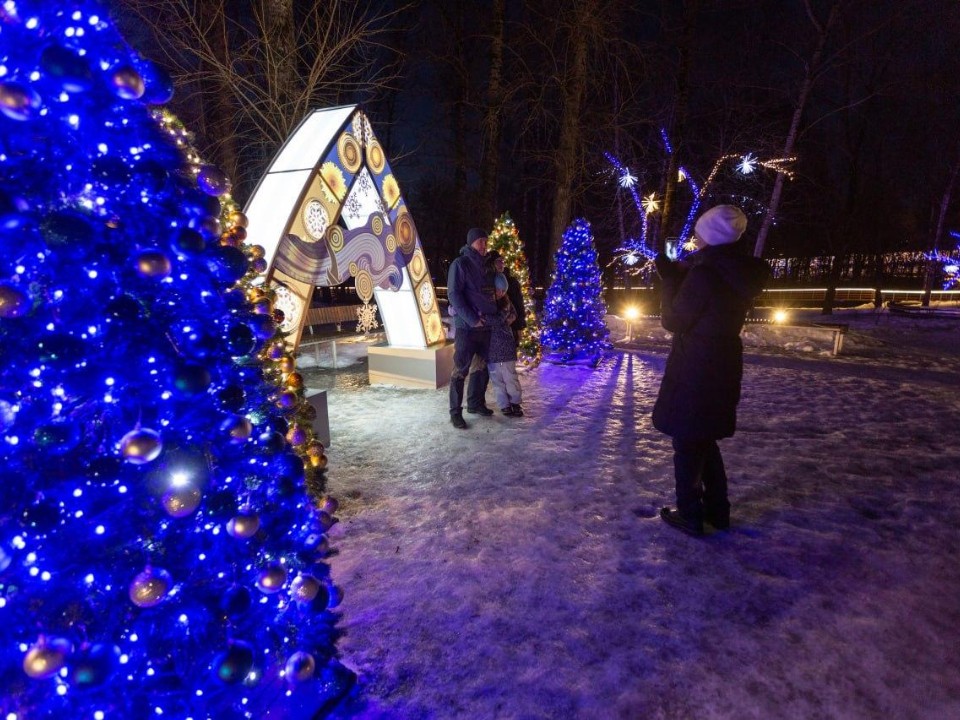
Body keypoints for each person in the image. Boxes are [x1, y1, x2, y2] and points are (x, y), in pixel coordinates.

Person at [652, 205, 770, 536]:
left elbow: (674, 320)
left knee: (688, 442)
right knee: (705, 439)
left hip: (696, 365)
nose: (695, 240)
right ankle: (718, 511)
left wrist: (669, 281)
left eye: (700, 235)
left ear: (711, 236)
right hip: (722, 361)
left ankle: (690, 514)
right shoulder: (735, 271)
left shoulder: (706, 273)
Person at [447, 227, 498, 429]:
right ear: (471, 243)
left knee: (481, 367)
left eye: (486, 241)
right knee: (461, 369)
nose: (484, 245)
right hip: (467, 328)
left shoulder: (487, 267)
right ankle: (455, 412)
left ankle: (476, 404)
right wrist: (471, 319)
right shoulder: (460, 264)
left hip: (485, 327)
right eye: (480, 242)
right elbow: (454, 295)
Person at [488, 273, 524, 416]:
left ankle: (515, 402)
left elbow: (505, 317)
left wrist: (495, 321)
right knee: (497, 379)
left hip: (506, 346)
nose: (501, 293)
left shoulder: (506, 303)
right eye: (498, 289)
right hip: (491, 348)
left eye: (503, 290)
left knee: (510, 377)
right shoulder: (487, 304)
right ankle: (504, 404)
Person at [486, 251, 527, 346]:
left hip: (510, 327)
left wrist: (519, 326)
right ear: (491, 263)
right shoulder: (486, 280)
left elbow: (519, 305)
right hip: (490, 330)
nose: (501, 264)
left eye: (502, 261)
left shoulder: (511, 281)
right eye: (498, 261)